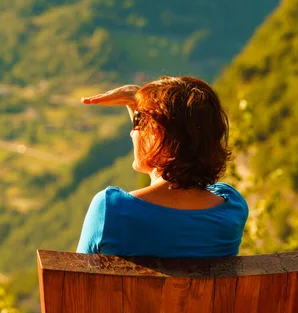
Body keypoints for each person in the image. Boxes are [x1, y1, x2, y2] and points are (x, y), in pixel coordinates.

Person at [76, 76, 248, 258]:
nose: (132, 133)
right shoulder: (232, 211)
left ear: (157, 137)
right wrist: (142, 110)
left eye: (139, 123)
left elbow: (76, 282)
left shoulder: (110, 210)